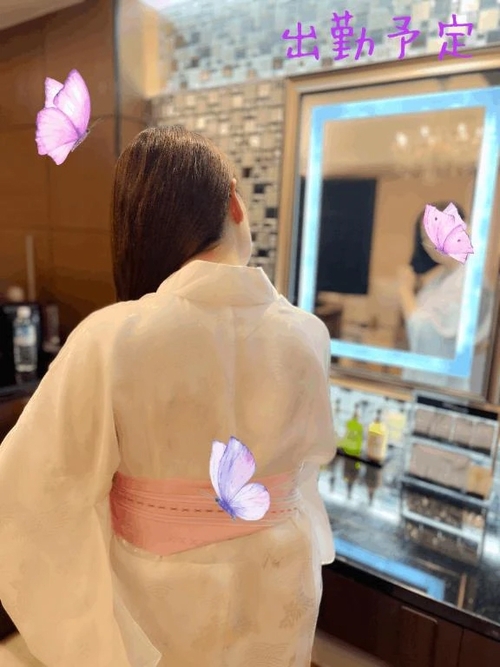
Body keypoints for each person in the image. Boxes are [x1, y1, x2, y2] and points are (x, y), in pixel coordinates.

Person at [0, 126, 336, 667]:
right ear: (234, 202)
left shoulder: (115, 337)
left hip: (164, 599)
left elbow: (25, 491)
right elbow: (310, 464)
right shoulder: (307, 334)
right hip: (281, 579)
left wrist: (89, 640)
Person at [398, 202, 493, 393]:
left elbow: (426, 331)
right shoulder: (441, 278)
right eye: (426, 237)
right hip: (429, 384)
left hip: (452, 389)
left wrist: (404, 291)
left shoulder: (472, 279)